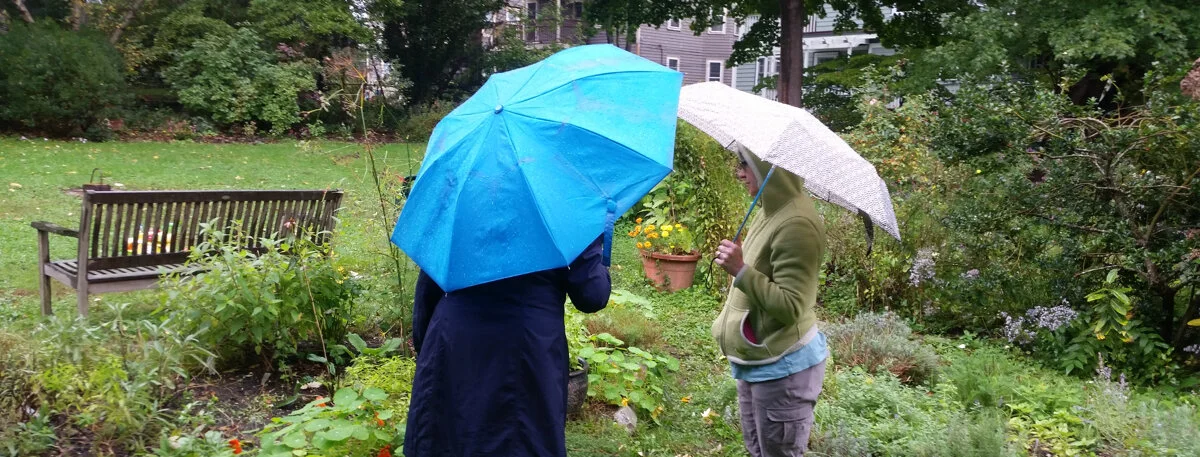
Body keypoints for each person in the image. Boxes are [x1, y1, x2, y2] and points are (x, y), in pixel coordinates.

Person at [404, 236, 611, 457]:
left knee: (449, 440)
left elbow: (430, 285)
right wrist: (594, 242)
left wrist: (429, 351)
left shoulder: (460, 214)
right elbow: (592, 295)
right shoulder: (563, 215)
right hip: (527, 348)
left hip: (455, 340)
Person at [712, 145, 828, 457]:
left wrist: (740, 270)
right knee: (758, 449)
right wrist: (742, 264)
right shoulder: (770, 211)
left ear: (769, 167)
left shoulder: (797, 224)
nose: (739, 173)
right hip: (759, 359)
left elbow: (791, 306)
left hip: (783, 368)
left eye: (745, 164)